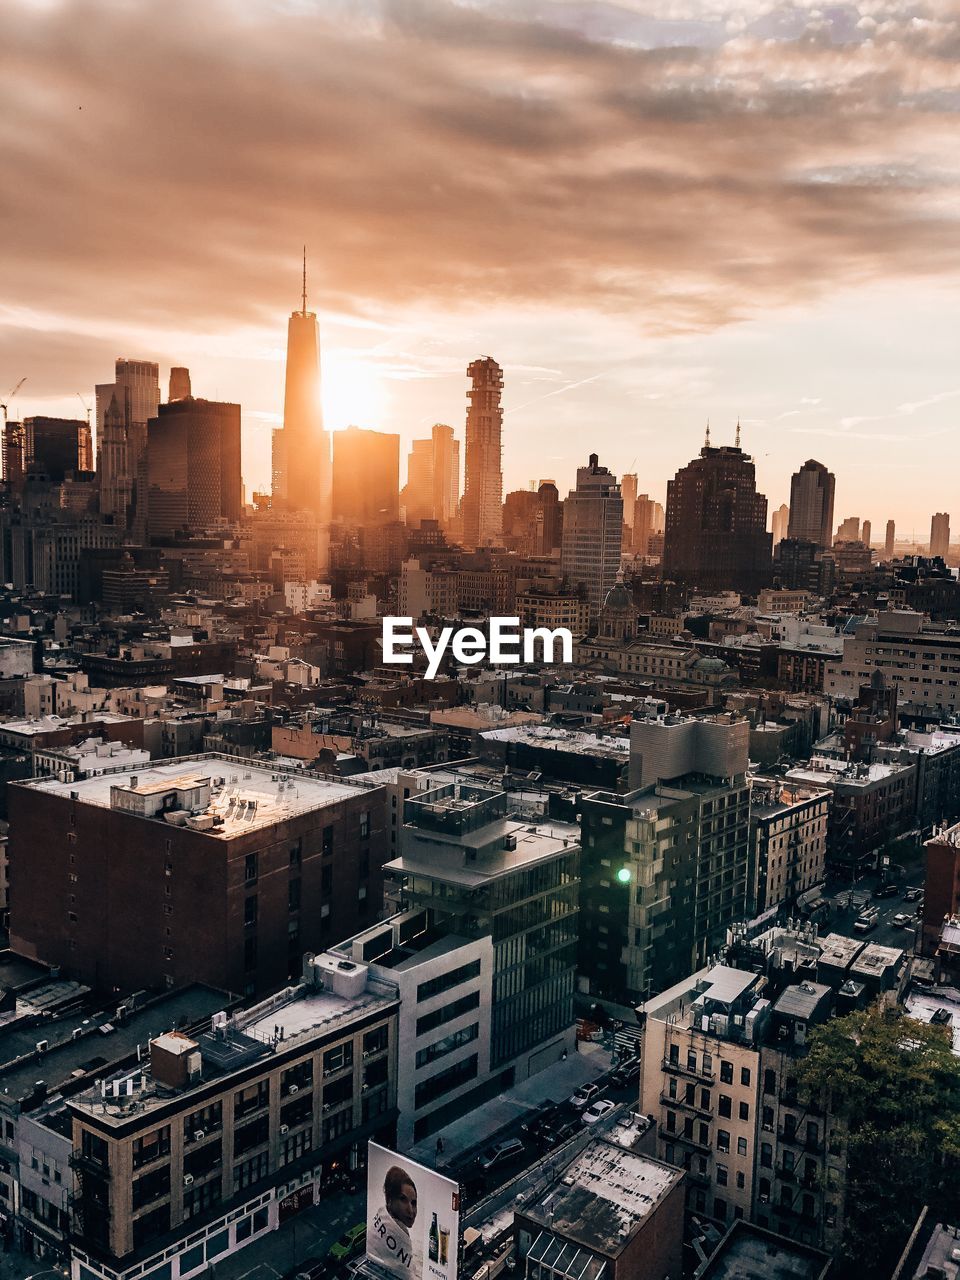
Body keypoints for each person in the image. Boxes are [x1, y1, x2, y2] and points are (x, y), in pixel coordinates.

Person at [368, 1165, 421, 1279]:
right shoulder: (395, 1234)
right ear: (390, 1199)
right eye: (403, 1199)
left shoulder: (381, 1224)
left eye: (413, 1203)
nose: (410, 1210)